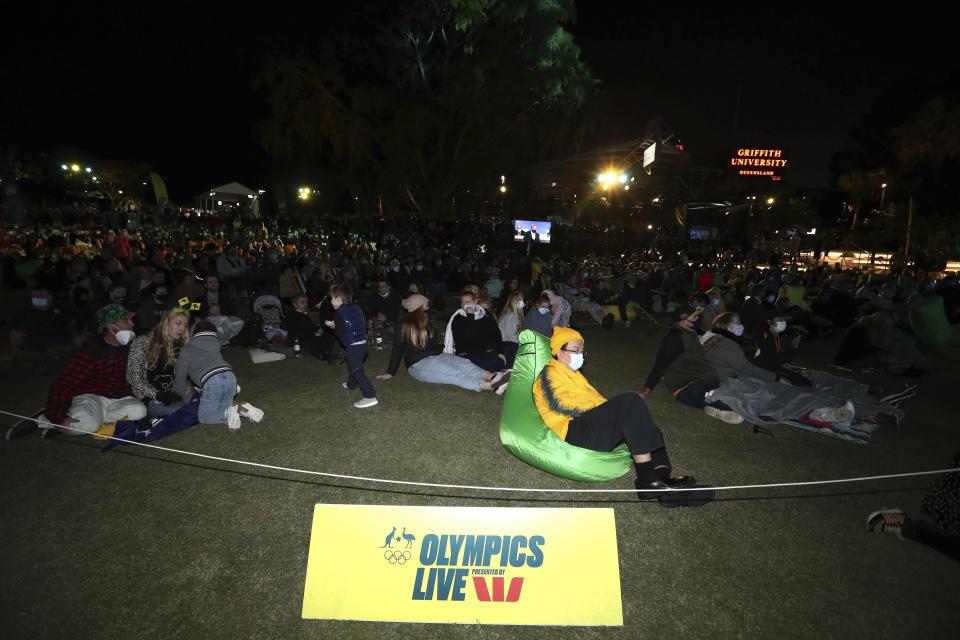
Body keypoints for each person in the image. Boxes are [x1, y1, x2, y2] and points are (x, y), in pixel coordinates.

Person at [533, 328, 713, 507]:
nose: (580, 355)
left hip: (588, 425)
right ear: (559, 351)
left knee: (645, 426)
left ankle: (663, 484)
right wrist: (607, 411)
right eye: (576, 350)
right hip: (573, 430)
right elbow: (560, 405)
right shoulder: (548, 375)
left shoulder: (575, 375)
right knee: (629, 402)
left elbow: (595, 404)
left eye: (582, 351)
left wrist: (611, 413)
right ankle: (647, 481)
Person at [7, 304, 147, 439]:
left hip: (119, 398)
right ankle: (45, 419)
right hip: (92, 397)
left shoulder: (132, 347)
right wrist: (58, 415)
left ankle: (83, 418)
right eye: (126, 320)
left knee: (139, 412)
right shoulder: (91, 351)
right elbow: (65, 384)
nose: (132, 324)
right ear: (111, 326)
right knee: (87, 425)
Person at [377, 294, 510, 394]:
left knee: (464, 364)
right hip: (418, 363)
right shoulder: (404, 324)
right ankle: (493, 386)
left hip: (437, 355)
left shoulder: (426, 320)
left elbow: (431, 346)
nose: (428, 306)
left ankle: (494, 377)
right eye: (426, 304)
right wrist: (390, 372)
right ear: (419, 306)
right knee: (454, 373)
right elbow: (397, 348)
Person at [638, 306, 743, 423]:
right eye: (695, 316)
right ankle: (717, 409)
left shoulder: (691, 334)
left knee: (740, 391)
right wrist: (646, 389)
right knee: (728, 401)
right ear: (683, 320)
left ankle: (721, 408)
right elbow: (660, 364)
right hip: (685, 386)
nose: (698, 318)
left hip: (704, 379)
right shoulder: (674, 338)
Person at [174, 321, 263, 429]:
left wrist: (180, 390)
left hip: (212, 380)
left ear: (195, 333)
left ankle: (230, 412)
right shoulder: (215, 345)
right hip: (230, 377)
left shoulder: (186, 350)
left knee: (205, 417)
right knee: (223, 407)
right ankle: (243, 410)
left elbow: (180, 374)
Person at [127, 307, 195, 417]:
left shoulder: (180, 345)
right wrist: (158, 395)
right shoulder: (143, 342)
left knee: (199, 400)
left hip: (174, 389)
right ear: (166, 322)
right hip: (151, 396)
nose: (182, 328)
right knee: (180, 412)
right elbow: (133, 377)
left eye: (185, 325)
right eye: (178, 323)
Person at [329, 283, 378, 408]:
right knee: (353, 366)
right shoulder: (356, 308)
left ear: (338, 299)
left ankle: (370, 396)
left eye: (332, 298)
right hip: (363, 344)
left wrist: (334, 327)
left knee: (357, 371)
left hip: (353, 346)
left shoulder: (339, 312)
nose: (331, 301)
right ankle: (351, 385)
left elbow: (341, 331)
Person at [444, 289, 507, 373]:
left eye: (468, 302)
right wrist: (470, 316)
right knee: (496, 362)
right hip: (467, 354)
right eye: (463, 303)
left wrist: (500, 352)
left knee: (513, 348)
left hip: (486, 351)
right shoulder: (458, 318)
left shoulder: (485, 314)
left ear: (476, 302)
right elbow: (465, 341)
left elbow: (496, 334)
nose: (465, 305)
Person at [497, 290, 525, 367]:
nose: (522, 302)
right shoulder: (511, 315)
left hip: (509, 344)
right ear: (514, 301)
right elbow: (511, 335)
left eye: (522, 299)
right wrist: (521, 345)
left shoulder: (514, 315)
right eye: (520, 299)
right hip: (507, 345)